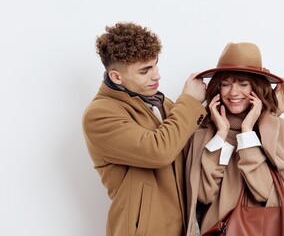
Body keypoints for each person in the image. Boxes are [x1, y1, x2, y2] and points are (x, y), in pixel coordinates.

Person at [82, 22, 208, 236]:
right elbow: (159, 150)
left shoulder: (162, 104)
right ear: (116, 77)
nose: (156, 75)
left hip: (183, 227)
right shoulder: (99, 115)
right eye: (145, 70)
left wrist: (270, 111)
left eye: (155, 65)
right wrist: (188, 101)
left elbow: (195, 146)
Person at [184, 42, 284, 236]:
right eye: (226, 84)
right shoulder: (202, 132)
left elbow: (266, 194)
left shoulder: (281, 131)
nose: (233, 92)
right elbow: (202, 194)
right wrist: (221, 134)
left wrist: (246, 134)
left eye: (243, 84)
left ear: (256, 87)